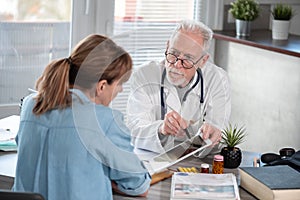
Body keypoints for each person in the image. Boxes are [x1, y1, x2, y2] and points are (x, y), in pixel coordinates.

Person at [13, 34, 151, 200]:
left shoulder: (30, 105)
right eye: (119, 84)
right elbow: (138, 186)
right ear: (102, 86)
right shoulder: (104, 121)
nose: (120, 90)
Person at [127, 20, 231, 156]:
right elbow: (134, 131)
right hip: (154, 159)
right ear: (167, 46)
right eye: (174, 53)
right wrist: (161, 129)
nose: (176, 64)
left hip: (198, 161)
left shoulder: (217, 80)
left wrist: (204, 133)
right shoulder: (145, 75)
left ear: (203, 61)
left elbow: (218, 132)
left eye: (187, 58)